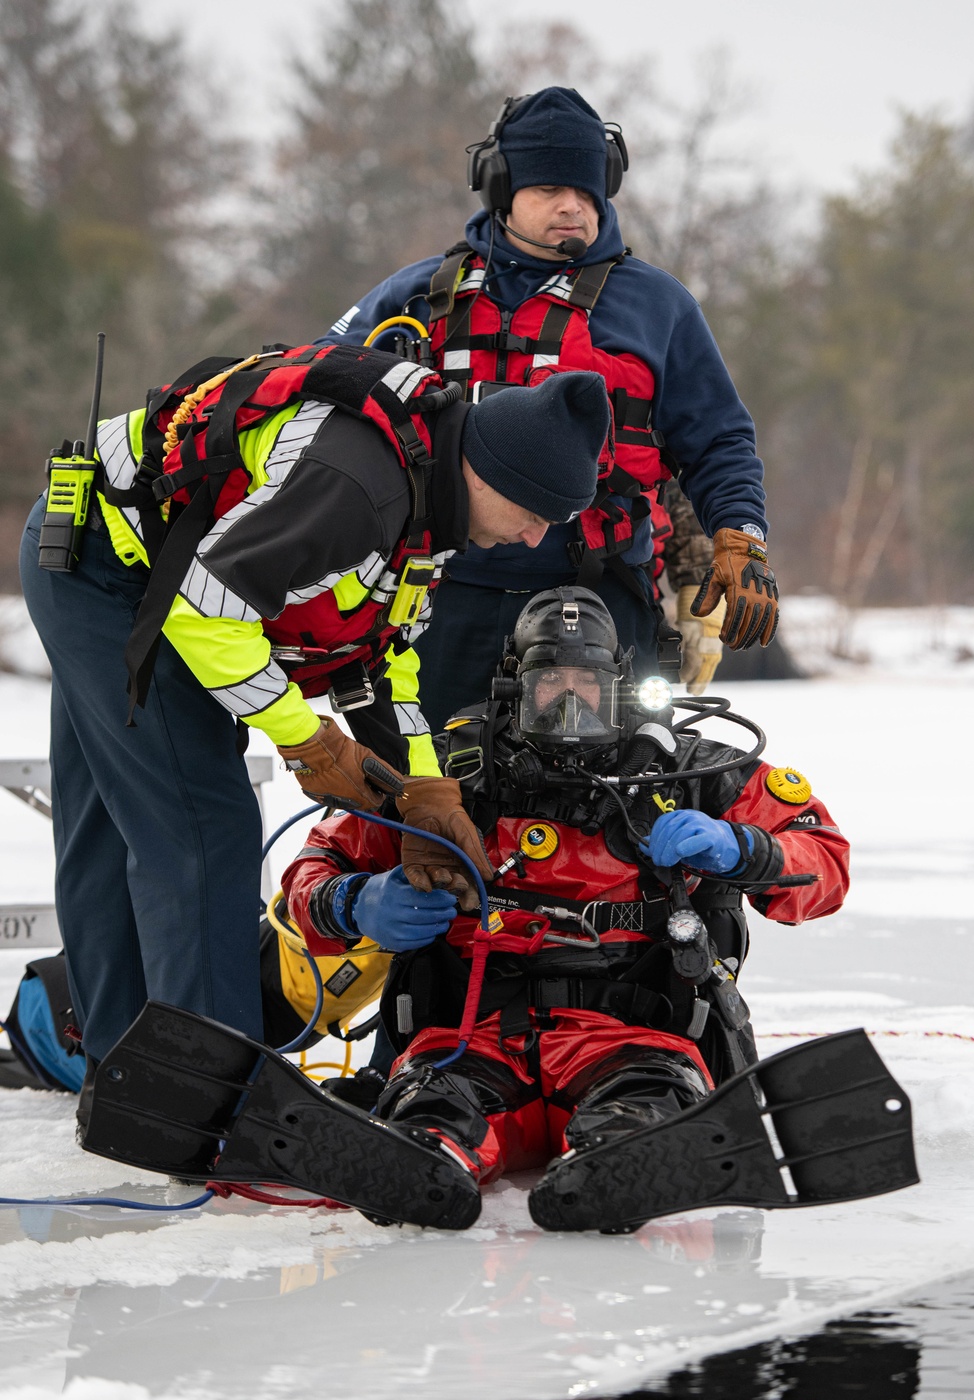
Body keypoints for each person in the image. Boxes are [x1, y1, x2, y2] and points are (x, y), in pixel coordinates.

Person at [19, 344, 611, 1074]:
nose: (533, 538)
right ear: (486, 472)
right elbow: (204, 615)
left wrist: (425, 791)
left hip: (144, 565)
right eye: (532, 513)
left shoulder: (431, 495)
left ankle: (127, 1076)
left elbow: (384, 657)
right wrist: (308, 741)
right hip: (111, 571)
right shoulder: (358, 488)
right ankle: (208, 1094)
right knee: (203, 823)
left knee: (115, 823)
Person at [268, 586, 849, 1230]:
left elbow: (821, 862)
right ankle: (424, 1155)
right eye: (551, 684)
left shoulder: (689, 772)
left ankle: (622, 1160)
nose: (570, 702)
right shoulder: (443, 773)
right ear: (516, 689)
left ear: (621, 688)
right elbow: (317, 866)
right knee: (432, 1108)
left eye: (587, 683)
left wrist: (741, 848)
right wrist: (355, 903)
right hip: (468, 1039)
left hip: (636, 1038)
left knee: (645, 1106)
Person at [321, 86, 778, 731]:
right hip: (436, 602)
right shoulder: (417, 296)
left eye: (588, 192)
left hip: (600, 599)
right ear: (502, 190)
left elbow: (720, 441)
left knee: (612, 801)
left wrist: (740, 537)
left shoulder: (658, 307)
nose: (573, 207)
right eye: (549, 190)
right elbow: (321, 394)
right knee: (426, 797)